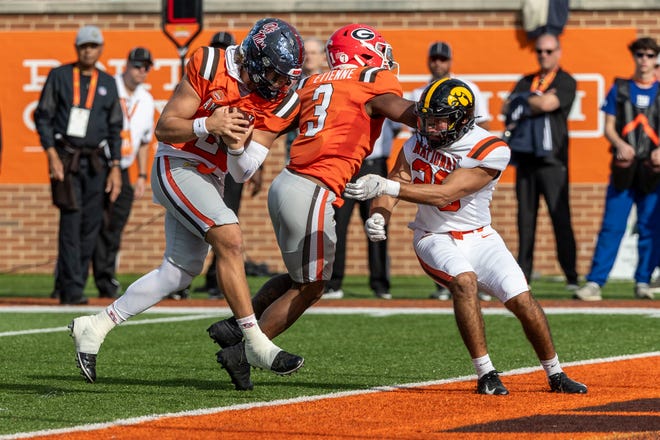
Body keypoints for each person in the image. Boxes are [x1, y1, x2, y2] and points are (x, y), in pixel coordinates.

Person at [67, 18, 306, 386]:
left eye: (284, 77)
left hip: (212, 176)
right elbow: (166, 126)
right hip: (176, 161)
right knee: (229, 236)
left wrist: (236, 142)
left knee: (178, 271)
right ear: (255, 61)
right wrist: (208, 125)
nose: (280, 85)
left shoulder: (282, 100)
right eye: (274, 75)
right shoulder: (210, 63)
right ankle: (255, 341)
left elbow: (243, 172)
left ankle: (94, 326)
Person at [206, 23, 418, 391]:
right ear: (365, 53)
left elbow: (275, 122)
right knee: (314, 285)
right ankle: (244, 351)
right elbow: (404, 112)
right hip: (314, 189)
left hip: (287, 184)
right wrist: (439, 116)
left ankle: (235, 325)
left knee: (299, 276)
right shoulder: (372, 79)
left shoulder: (313, 82)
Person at [343, 77, 587, 395]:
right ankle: (486, 374)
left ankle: (555, 374)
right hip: (434, 235)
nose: (430, 127)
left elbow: (446, 194)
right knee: (464, 280)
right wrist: (380, 213)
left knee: (523, 300)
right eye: (427, 119)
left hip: (481, 237)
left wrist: (388, 188)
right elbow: (398, 178)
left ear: (461, 119)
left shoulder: (491, 148)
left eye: (439, 120)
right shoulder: (416, 142)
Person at [34, 25, 123, 305]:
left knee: (91, 224)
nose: (88, 51)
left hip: (97, 162)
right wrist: (51, 154)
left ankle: (71, 283)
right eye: (84, 46)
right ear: (77, 48)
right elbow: (43, 116)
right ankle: (71, 288)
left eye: (93, 46)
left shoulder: (107, 82)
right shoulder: (60, 76)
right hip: (67, 159)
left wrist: (116, 167)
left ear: (100, 49)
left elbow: (115, 127)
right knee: (71, 221)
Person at [574, 37, 660, 301]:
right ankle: (595, 283)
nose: (644, 60)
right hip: (624, 168)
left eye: (649, 55)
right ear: (633, 57)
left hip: (653, 170)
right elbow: (608, 126)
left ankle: (643, 281)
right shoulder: (620, 87)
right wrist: (619, 143)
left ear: (655, 58)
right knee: (612, 226)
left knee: (650, 226)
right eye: (640, 55)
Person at [412, 41, 492, 301]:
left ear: (450, 61)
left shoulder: (467, 90)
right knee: (438, 221)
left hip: (462, 163)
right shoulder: (420, 92)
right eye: (433, 58)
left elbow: (483, 127)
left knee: (470, 221)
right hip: (432, 162)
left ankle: (480, 279)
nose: (438, 63)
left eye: (442, 59)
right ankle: (448, 282)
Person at [187, 30, 264, 300]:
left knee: (227, 224)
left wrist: (256, 168)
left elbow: (253, 133)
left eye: (224, 48)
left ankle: (215, 281)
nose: (220, 52)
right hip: (196, 161)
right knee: (202, 226)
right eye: (216, 47)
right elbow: (176, 122)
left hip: (226, 164)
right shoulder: (203, 72)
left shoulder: (246, 85)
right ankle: (189, 281)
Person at [502, 33, 578, 294]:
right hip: (525, 159)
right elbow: (508, 106)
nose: (544, 55)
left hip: (553, 160)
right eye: (540, 51)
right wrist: (528, 100)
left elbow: (549, 103)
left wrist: (526, 100)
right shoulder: (525, 80)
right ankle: (523, 275)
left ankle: (571, 275)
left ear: (558, 51)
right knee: (525, 219)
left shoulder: (566, 81)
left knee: (560, 217)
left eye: (549, 51)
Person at [92, 47, 155, 298]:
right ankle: (72, 277)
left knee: (115, 225)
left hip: (127, 166)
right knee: (91, 222)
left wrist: (141, 175)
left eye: (146, 67)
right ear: (127, 65)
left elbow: (144, 141)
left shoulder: (146, 98)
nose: (141, 71)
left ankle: (106, 276)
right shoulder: (109, 86)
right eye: (137, 65)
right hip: (101, 162)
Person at [322, 119, 400, 300]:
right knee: (337, 226)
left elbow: (395, 129)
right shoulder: (348, 100)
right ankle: (333, 283)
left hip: (375, 164)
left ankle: (380, 284)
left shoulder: (383, 97)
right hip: (346, 166)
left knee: (377, 223)